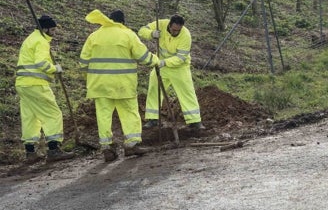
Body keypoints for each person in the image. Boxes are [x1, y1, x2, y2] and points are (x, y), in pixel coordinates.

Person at [80, 9, 160, 162]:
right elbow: (143, 56)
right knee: (129, 112)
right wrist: (156, 60)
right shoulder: (128, 34)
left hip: (100, 85)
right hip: (123, 84)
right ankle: (131, 145)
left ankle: (106, 148)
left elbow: (83, 61)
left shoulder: (94, 36)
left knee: (103, 116)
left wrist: (90, 78)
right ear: (123, 22)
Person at [15, 15, 75, 163]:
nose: (54, 32)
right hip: (36, 84)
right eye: (53, 29)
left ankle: (30, 152)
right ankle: (54, 150)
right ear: (46, 29)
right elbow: (41, 62)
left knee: (30, 117)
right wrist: (55, 68)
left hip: (23, 84)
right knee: (53, 114)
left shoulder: (30, 39)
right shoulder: (41, 41)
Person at [139, 14, 204, 130]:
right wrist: (151, 34)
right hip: (161, 66)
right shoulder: (161, 24)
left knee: (187, 92)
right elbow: (142, 31)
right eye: (173, 30)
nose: (175, 32)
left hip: (179, 68)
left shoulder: (186, 35)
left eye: (178, 31)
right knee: (154, 88)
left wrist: (164, 62)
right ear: (169, 25)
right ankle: (152, 119)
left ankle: (195, 121)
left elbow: (181, 58)